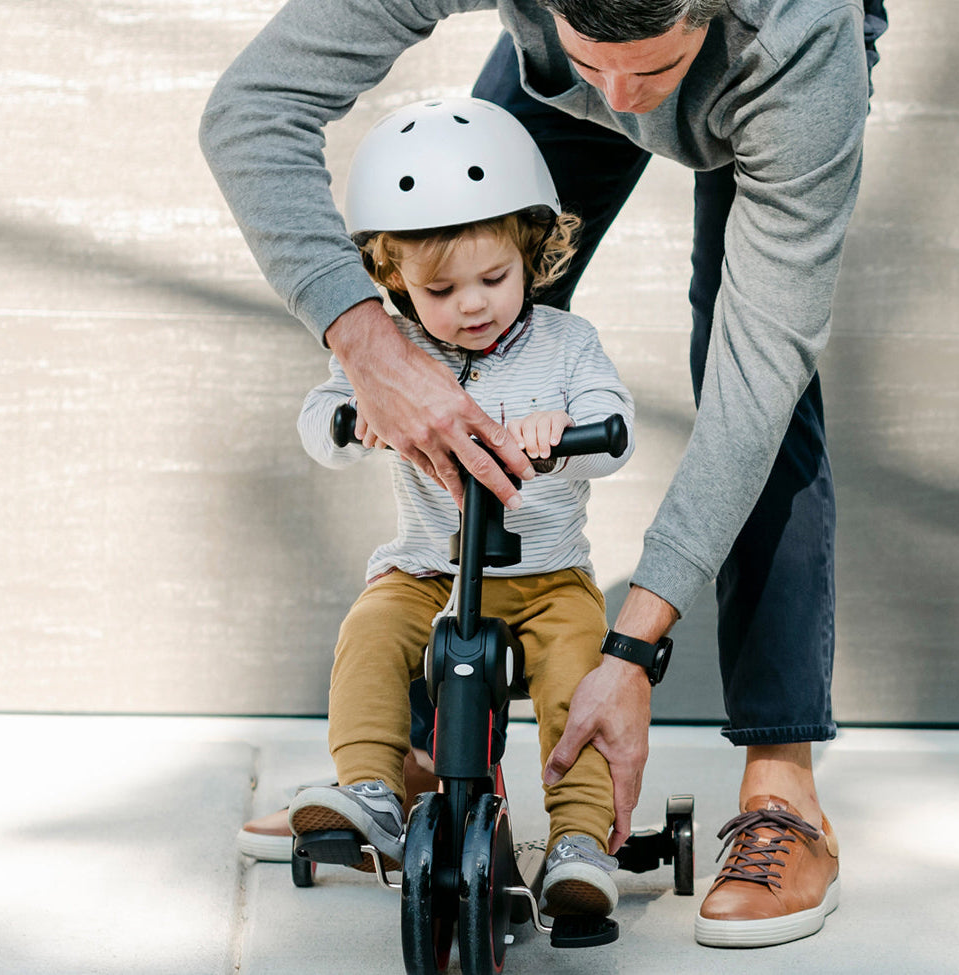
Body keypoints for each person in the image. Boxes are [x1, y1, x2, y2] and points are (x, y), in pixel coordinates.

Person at [202, 0, 886, 949]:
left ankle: (784, 791)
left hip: (760, 82)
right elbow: (251, 107)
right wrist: (370, 348)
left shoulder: (796, 43)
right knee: (471, 275)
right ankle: (407, 764)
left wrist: (635, 648)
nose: (620, 106)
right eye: (592, 64)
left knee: (756, 389)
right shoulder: (584, 62)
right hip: (590, 47)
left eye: (650, 71)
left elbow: (751, 386)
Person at [281, 97, 638, 919]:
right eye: (439, 288)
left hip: (547, 579)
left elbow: (615, 435)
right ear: (390, 277)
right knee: (369, 630)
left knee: (576, 674)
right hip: (425, 571)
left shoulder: (564, 343)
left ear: (532, 250)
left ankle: (579, 841)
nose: (471, 304)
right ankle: (370, 785)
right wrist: (354, 416)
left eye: (493, 278)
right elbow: (317, 422)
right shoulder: (393, 353)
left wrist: (566, 424)